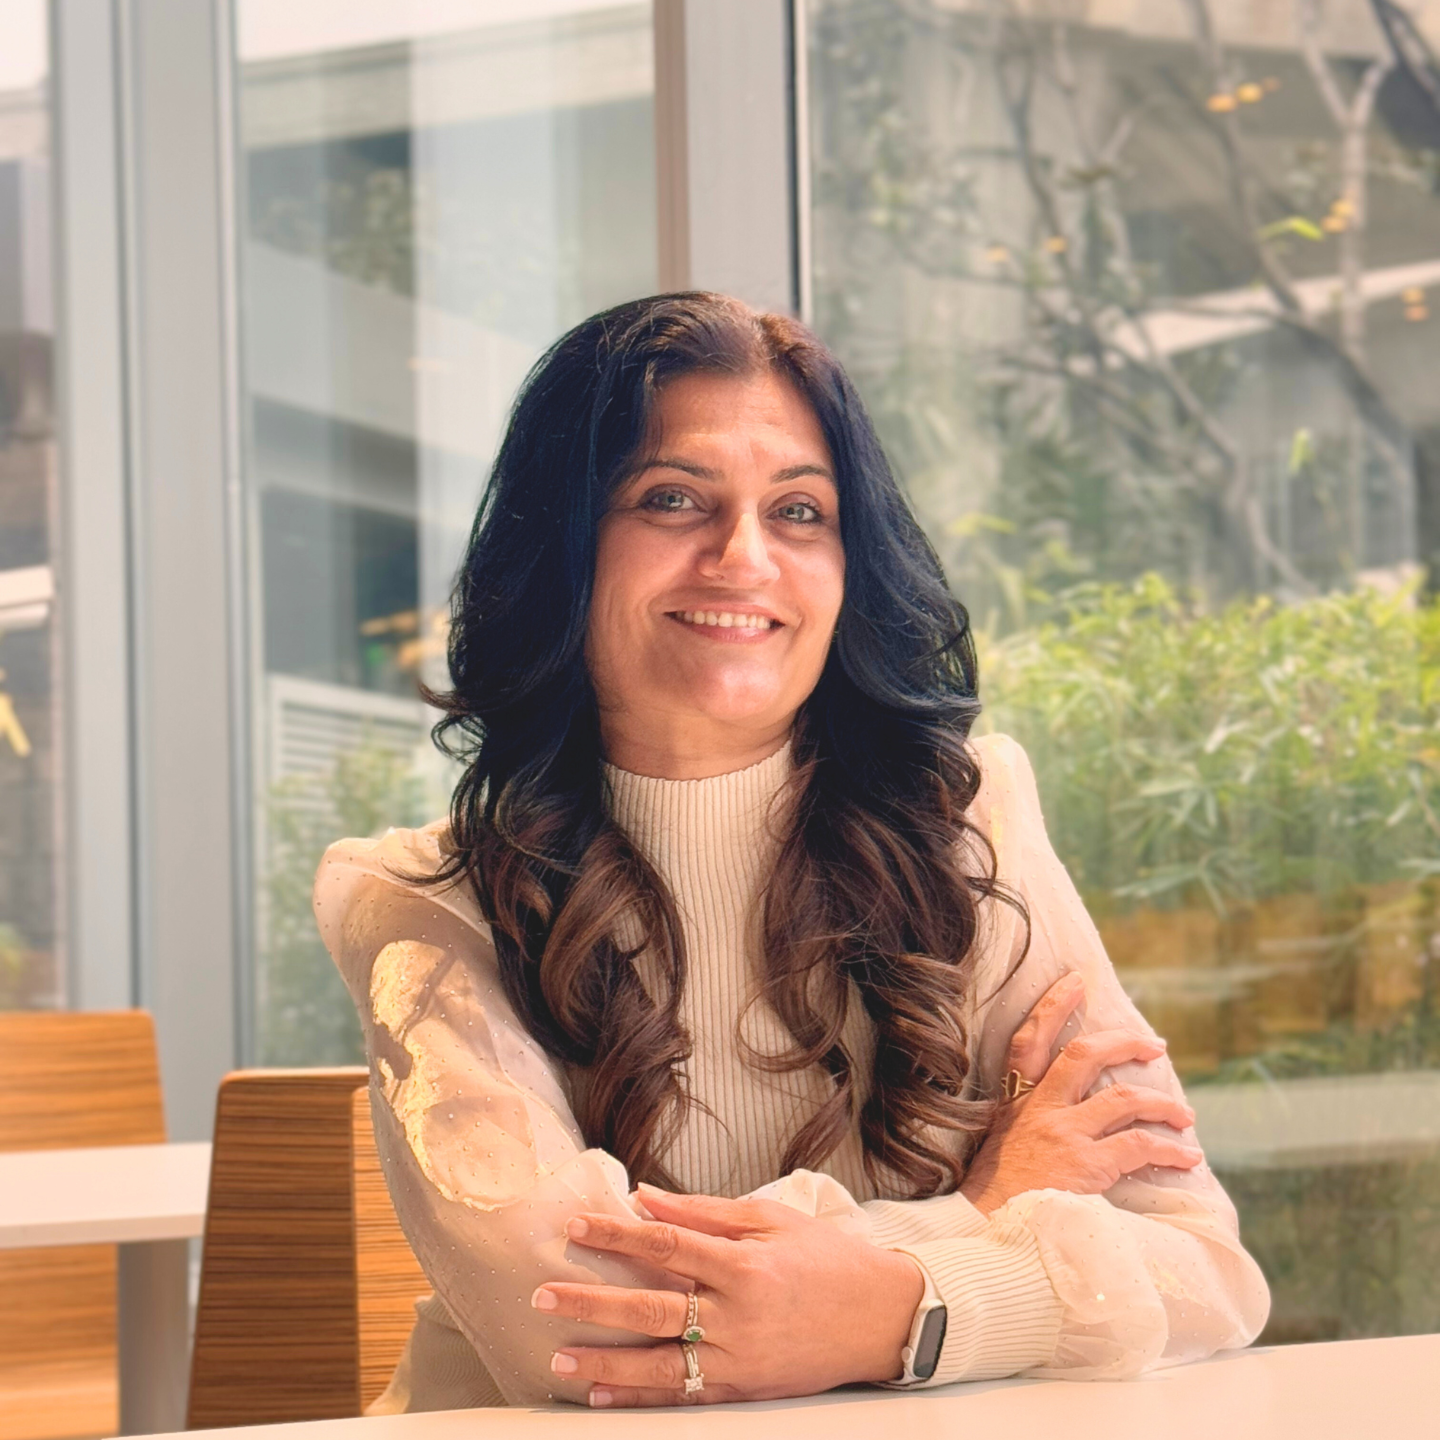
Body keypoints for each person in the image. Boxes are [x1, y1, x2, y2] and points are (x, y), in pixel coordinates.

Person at [313, 293, 1269, 1412]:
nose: (744, 556)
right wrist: (980, 1217)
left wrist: (876, 1299)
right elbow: (576, 1324)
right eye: (672, 499)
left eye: (801, 511)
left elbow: (1204, 1269)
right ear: (561, 547)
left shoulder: (972, 827)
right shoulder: (422, 902)